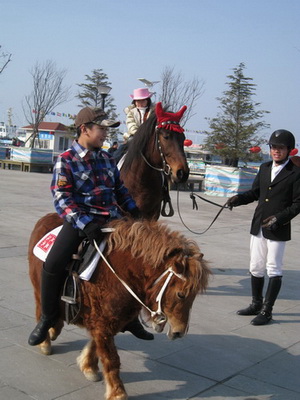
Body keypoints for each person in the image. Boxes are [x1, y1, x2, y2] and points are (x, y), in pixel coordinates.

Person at [28, 107, 154, 346]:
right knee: (52, 263)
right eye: (102, 129)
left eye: (107, 129)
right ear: (84, 129)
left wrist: (135, 212)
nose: (106, 134)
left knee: (138, 263)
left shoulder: (107, 158)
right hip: (80, 222)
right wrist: (85, 224)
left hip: (114, 221)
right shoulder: (66, 161)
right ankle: (47, 317)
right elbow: (62, 199)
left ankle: (131, 318)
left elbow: (120, 191)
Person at [226, 129, 300, 325]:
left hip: (278, 228)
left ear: (289, 150)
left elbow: (298, 204)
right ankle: (256, 304)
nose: (276, 151)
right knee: (255, 267)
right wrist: (237, 199)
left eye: (281, 148)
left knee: (273, 268)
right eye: (274, 147)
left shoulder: (295, 173)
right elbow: (255, 193)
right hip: (259, 225)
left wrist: (279, 218)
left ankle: (267, 311)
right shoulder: (265, 167)